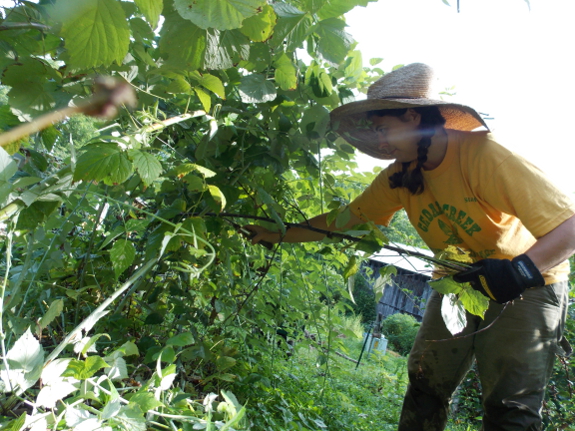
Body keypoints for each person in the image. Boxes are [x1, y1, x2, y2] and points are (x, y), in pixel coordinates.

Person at [244, 63, 575, 431]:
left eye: (385, 130)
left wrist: (519, 271)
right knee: (425, 384)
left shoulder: (484, 154)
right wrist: (277, 233)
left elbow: (570, 226)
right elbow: (346, 218)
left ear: (414, 117)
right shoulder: (400, 176)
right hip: (458, 281)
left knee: (510, 409)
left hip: (529, 284)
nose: (381, 144)